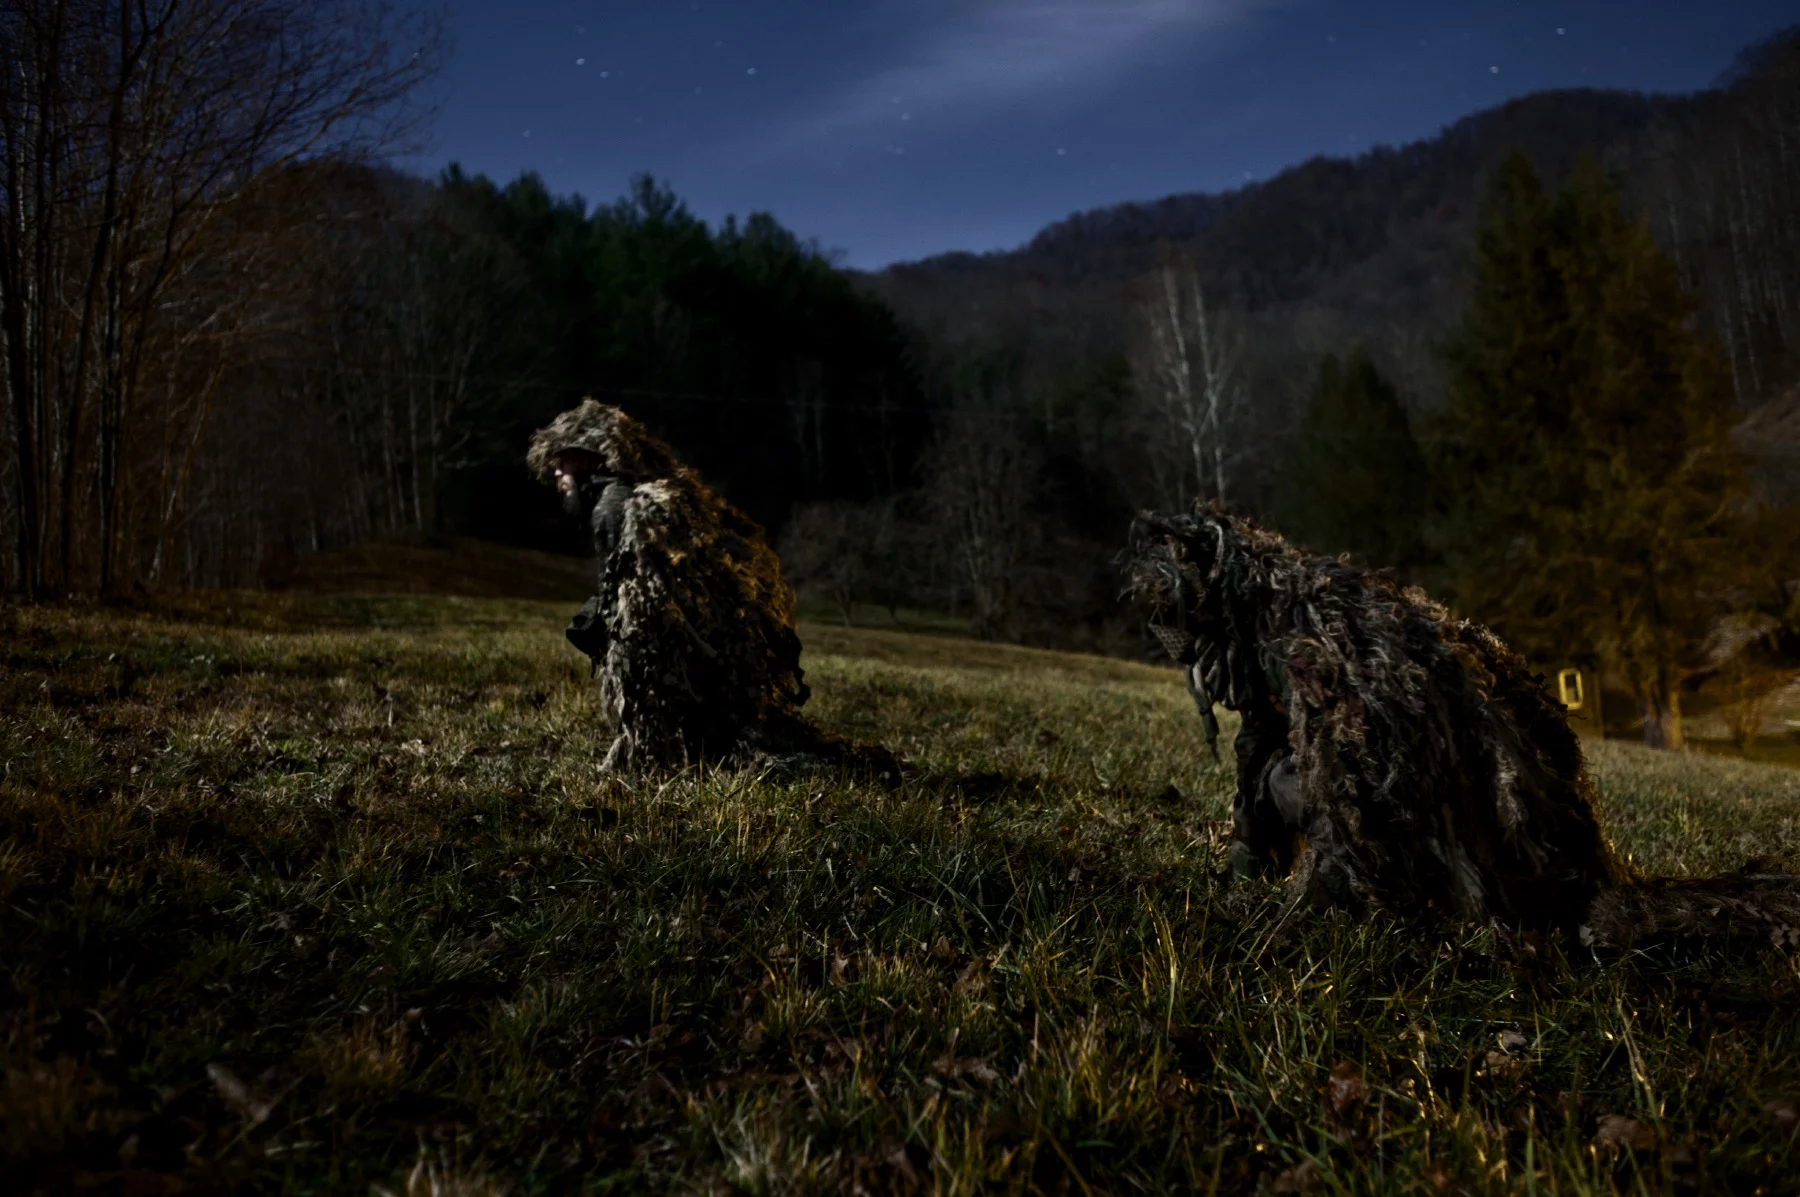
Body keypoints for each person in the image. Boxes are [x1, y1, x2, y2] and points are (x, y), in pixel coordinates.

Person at [528, 399, 893, 776]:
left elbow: (644, 620)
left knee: (739, 759)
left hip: (696, 675)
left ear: (586, 458)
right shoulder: (655, 496)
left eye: (562, 462)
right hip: (721, 669)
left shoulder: (618, 505)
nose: (556, 473)